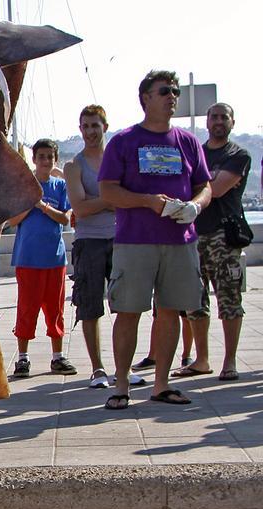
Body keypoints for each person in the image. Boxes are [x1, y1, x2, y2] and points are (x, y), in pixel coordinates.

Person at [98, 70, 211, 409]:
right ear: (145, 98)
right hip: (135, 241)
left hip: (180, 241)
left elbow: (204, 186)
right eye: (164, 91)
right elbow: (108, 191)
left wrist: (195, 206)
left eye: (174, 91)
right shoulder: (124, 141)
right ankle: (121, 384)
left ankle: (162, 384)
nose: (172, 96)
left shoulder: (188, 141)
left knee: (170, 312)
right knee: (128, 311)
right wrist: (148, 201)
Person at [173, 103, 251, 382]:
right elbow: (184, 186)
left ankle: (229, 362)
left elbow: (215, 189)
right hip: (193, 236)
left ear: (232, 122)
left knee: (229, 300)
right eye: (214, 117)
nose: (218, 121)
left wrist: (201, 184)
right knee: (195, 301)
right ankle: (202, 359)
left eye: (223, 117)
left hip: (223, 237)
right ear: (207, 122)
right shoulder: (197, 153)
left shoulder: (238, 155)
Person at [8, 139, 75, 378]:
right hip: (28, 259)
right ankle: (23, 358)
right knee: (27, 309)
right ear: (34, 159)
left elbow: (65, 218)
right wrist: (30, 203)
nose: (46, 161)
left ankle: (57, 357)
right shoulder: (24, 186)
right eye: (41, 156)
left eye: (50, 156)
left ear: (55, 160)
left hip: (54, 260)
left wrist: (43, 206)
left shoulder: (60, 186)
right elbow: (12, 220)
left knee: (54, 310)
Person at [64, 105, 119, 388]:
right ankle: (98, 368)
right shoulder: (74, 166)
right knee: (89, 306)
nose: (90, 132)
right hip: (88, 241)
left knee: (125, 305)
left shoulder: (118, 160)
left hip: (120, 239)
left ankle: (122, 367)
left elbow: (129, 196)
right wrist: (112, 199)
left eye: (95, 125)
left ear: (105, 127)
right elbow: (80, 208)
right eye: (85, 126)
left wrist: (98, 201)